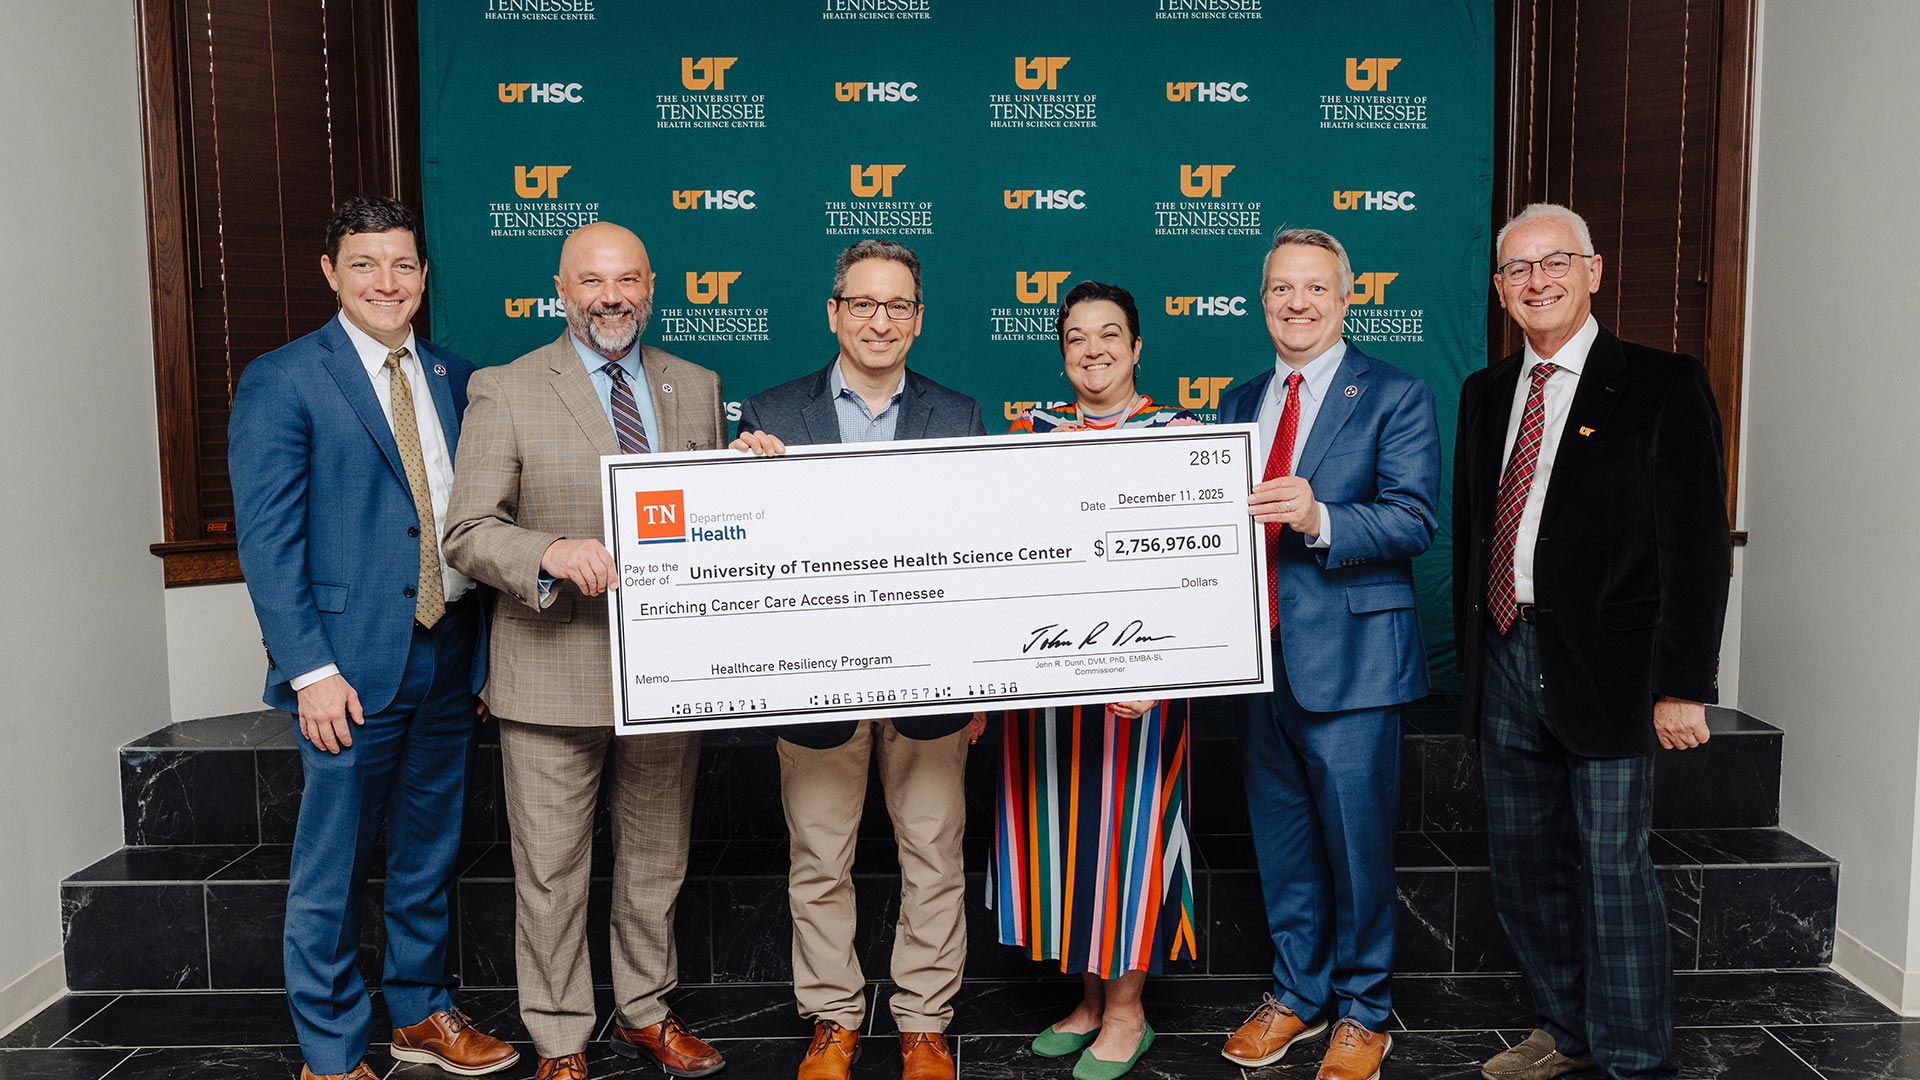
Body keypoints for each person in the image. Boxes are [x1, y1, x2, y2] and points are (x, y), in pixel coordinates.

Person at [228, 195, 517, 1080]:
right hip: (346, 668)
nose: (386, 282)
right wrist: (309, 669)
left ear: (424, 278)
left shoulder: (454, 376)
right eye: (365, 264)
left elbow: (476, 521)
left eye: (402, 265)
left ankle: (420, 1010)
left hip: (449, 649)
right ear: (331, 273)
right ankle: (330, 1049)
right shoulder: (283, 378)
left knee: (429, 849)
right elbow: (269, 543)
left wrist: (484, 657)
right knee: (335, 862)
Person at [443, 221, 728, 1080]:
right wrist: (548, 553)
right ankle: (562, 1039)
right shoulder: (508, 386)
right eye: (593, 282)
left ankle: (646, 1011)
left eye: (629, 280)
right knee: (553, 874)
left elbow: (715, 518)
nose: (613, 297)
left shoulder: (697, 385)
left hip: (665, 677)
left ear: (650, 286)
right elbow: (466, 531)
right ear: (561, 291)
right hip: (552, 671)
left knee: (654, 863)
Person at [1456, 203, 1729, 1080]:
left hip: (1613, 668)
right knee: (1524, 868)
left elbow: (1695, 545)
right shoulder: (1486, 391)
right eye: (1517, 270)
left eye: (1555, 263)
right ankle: (1563, 1031)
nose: (1537, 282)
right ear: (1500, 290)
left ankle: (1635, 1058)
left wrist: (1682, 684)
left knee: (1612, 871)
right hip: (1506, 652)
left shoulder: (1662, 381)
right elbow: (1473, 532)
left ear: (1594, 270)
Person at [729, 239, 984, 1080]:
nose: (881, 321)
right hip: (813, 682)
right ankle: (833, 1019)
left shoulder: (959, 414)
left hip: (932, 679)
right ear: (833, 313)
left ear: (919, 319)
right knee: (819, 860)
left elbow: (984, 559)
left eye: (899, 306)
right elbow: (737, 553)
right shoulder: (767, 414)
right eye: (864, 305)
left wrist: (981, 682)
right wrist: (732, 481)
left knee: (933, 856)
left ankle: (922, 1022)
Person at [1216, 228, 1440, 1080]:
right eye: (1281, 289)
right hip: (1258, 662)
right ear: (1263, 299)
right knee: (1283, 842)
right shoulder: (1239, 404)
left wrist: (1321, 518)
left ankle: (1365, 1010)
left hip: (1352, 662)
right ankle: (1298, 994)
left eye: (1316, 288)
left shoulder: (1393, 393)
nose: (1297, 303)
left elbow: (1416, 519)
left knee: (1357, 844)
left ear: (1348, 299)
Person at [992, 281, 1199, 1080]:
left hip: (1140, 692)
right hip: (1050, 694)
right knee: (1062, 844)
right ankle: (1086, 999)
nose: (1093, 349)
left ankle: (1127, 1010)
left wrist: (1167, 671)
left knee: (1129, 844)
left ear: (1138, 346)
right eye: (1076, 337)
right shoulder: (1027, 436)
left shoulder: (1182, 436)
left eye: (1110, 334)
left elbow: (1201, 578)